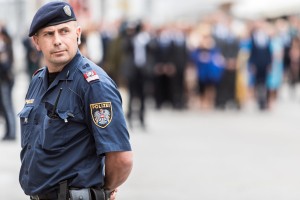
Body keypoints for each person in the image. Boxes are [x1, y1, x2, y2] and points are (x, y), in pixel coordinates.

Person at [18, 2, 133, 200]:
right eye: (48, 34)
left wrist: (101, 191)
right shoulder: (37, 80)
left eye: (64, 31)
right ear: (36, 42)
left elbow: (121, 158)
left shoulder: (93, 84)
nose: (57, 41)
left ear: (77, 33)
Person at [0, 26, 16, 141]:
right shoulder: (6, 47)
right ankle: (8, 132)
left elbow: (6, 66)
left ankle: (11, 133)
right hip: (5, 80)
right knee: (6, 108)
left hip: (5, 81)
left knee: (8, 107)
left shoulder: (5, 48)